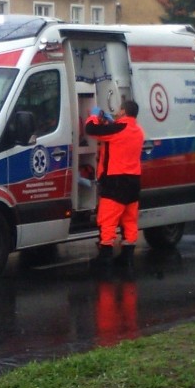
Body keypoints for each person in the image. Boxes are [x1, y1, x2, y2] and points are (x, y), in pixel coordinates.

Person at [84, 99, 145, 275]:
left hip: (115, 182)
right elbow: (118, 138)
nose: (117, 112)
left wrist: (94, 117)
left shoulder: (118, 129)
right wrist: (111, 122)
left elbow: (92, 130)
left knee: (107, 220)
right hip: (133, 182)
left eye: (119, 109)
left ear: (124, 111)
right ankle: (127, 257)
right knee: (129, 221)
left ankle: (105, 258)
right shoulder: (138, 131)